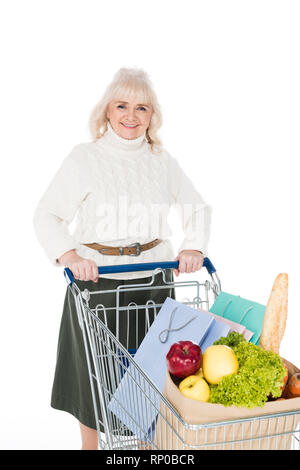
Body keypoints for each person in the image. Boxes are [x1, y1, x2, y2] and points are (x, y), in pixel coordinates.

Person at [33, 67, 212, 450]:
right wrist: (69, 254)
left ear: (152, 115)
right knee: (93, 377)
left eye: (142, 108)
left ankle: (148, 449)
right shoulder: (85, 158)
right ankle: (91, 448)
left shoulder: (162, 161)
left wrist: (193, 247)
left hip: (153, 280)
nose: (131, 116)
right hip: (98, 281)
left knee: (152, 377)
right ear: (107, 112)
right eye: (122, 105)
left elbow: (196, 208)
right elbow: (47, 214)